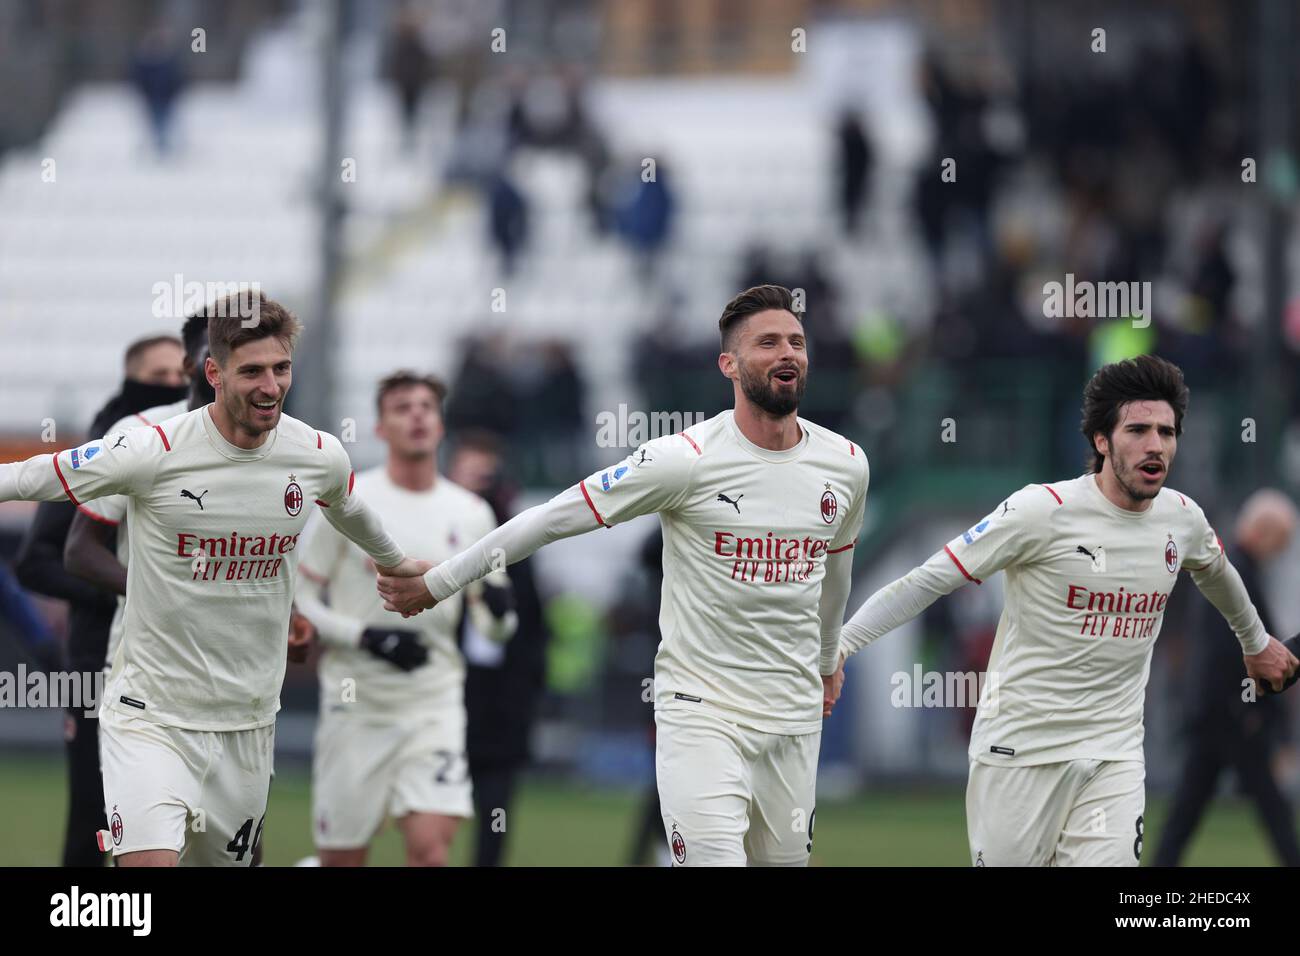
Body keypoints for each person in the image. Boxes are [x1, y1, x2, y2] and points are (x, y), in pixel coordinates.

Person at [380, 285, 870, 866]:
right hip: (702, 713)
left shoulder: (845, 464)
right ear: (729, 364)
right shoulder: (684, 459)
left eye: (796, 341)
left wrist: (826, 658)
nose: (787, 352)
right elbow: (552, 518)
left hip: (792, 720)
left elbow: (835, 572)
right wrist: (438, 582)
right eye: (767, 342)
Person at [0, 294, 425, 866]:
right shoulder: (153, 448)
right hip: (149, 713)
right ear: (214, 372)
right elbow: (31, 477)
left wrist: (396, 563)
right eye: (251, 371)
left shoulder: (317, 454)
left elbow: (349, 509)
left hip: (247, 723)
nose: (270, 386)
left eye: (281, 369)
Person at [837, 354, 1297, 866]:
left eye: (1166, 432)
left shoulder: (1182, 519)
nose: (1155, 445)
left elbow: (1220, 576)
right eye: (1138, 429)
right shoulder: (1041, 512)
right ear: (1101, 440)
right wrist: (842, 647)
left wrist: (1256, 644)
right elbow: (925, 581)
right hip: (1019, 755)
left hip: (1113, 756)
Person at [294, 373, 515, 867]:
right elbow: (299, 597)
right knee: (342, 860)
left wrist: (500, 614)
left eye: (426, 407)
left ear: (440, 425)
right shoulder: (348, 501)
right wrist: (365, 637)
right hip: (356, 706)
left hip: (433, 706)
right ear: (379, 427)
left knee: (430, 851)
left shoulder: (472, 512)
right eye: (401, 407)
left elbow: (495, 627)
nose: (416, 415)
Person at [13, 333, 187, 867]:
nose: (174, 386)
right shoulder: (106, 450)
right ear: (131, 380)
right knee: (94, 824)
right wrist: (120, 591)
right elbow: (37, 560)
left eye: (180, 376)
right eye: (158, 378)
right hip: (99, 662)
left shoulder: (186, 452)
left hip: (173, 666)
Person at [1153, 489, 1300, 866]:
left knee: (1189, 810)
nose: (1282, 550)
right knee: (1272, 809)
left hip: (1217, 712)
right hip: (1233, 716)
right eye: (1282, 540)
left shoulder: (1230, 566)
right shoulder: (1234, 573)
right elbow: (1231, 651)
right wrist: (1251, 711)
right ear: (1265, 532)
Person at [445, 430, 548, 867]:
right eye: (472, 476)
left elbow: (533, 625)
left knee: (495, 813)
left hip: (501, 703)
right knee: (434, 813)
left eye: (488, 477)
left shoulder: (517, 545)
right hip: (446, 696)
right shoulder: (435, 538)